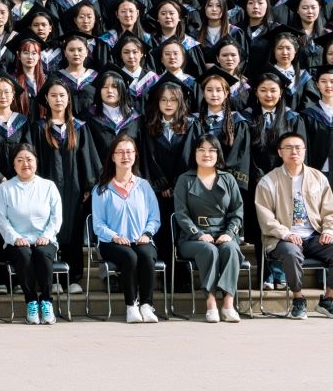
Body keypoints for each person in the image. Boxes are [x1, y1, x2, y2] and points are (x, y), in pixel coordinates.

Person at [254, 131, 333, 319]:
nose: (294, 152)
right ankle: (298, 299)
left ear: (305, 151)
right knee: (291, 253)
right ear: (280, 152)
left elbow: (330, 209)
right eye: (288, 148)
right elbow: (265, 217)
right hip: (282, 239)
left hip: (314, 236)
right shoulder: (268, 181)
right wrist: (286, 234)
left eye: (298, 148)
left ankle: (328, 299)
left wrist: (329, 229)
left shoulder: (318, 178)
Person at [172, 135, 246, 323]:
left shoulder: (228, 179)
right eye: (201, 150)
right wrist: (198, 233)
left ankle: (228, 304)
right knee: (209, 250)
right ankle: (211, 303)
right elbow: (181, 213)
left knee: (231, 249)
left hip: (223, 234)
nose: (207, 154)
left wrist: (229, 233)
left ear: (218, 154)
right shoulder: (184, 179)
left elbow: (237, 211)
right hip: (192, 238)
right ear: (194, 153)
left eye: (212, 150)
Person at [91, 135, 163, 324]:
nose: (125, 156)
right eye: (120, 152)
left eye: (129, 152)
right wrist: (114, 236)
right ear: (113, 156)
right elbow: (98, 225)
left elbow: (154, 218)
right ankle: (131, 306)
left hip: (141, 239)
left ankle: (146, 305)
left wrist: (147, 234)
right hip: (111, 242)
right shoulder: (101, 189)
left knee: (146, 255)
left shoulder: (144, 186)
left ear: (135, 155)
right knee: (129, 256)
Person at [0, 143, 64, 325]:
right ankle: (31, 301)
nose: (25, 164)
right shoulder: (5, 188)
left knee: (42, 253)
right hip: (16, 241)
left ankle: (46, 301)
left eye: (29, 159)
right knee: (24, 255)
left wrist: (47, 236)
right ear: (14, 164)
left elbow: (56, 217)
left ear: (36, 162)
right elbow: (1, 220)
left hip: (44, 239)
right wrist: (15, 237)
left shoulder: (48, 186)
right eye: (20, 160)